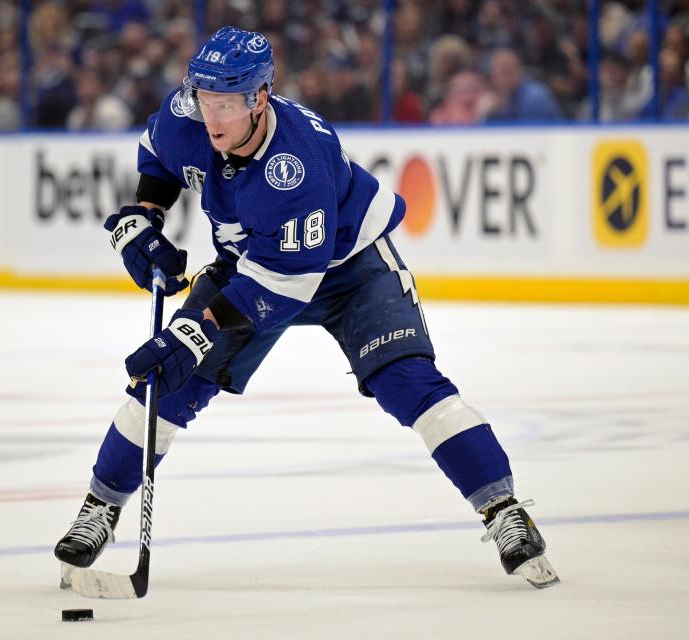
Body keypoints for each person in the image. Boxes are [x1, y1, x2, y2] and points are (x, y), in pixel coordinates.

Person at [54, 27, 559, 589]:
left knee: (406, 380)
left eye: (225, 104)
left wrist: (195, 333)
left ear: (260, 98)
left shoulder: (298, 165)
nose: (211, 117)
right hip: (254, 258)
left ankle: (503, 508)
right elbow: (158, 158)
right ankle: (101, 506)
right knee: (165, 385)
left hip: (349, 267)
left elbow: (284, 286)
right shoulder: (187, 113)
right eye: (204, 99)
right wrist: (143, 218)